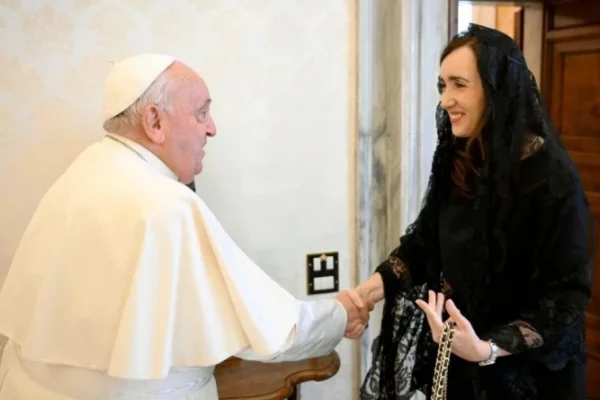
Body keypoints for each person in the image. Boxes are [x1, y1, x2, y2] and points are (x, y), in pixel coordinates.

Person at [0, 53, 373, 399]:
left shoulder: (84, 168)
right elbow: (269, 329)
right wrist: (341, 314)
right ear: (154, 122)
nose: (212, 128)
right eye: (201, 113)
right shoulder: (165, 203)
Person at [357, 24, 595, 400]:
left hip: (529, 376)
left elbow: (566, 296)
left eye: (459, 84)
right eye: (442, 86)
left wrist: (487, 349)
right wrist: (364, 294)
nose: (445, 100)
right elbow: (423, 244)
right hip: (462, 360)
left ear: (496, 90)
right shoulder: (460, 158)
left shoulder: (551, 179)